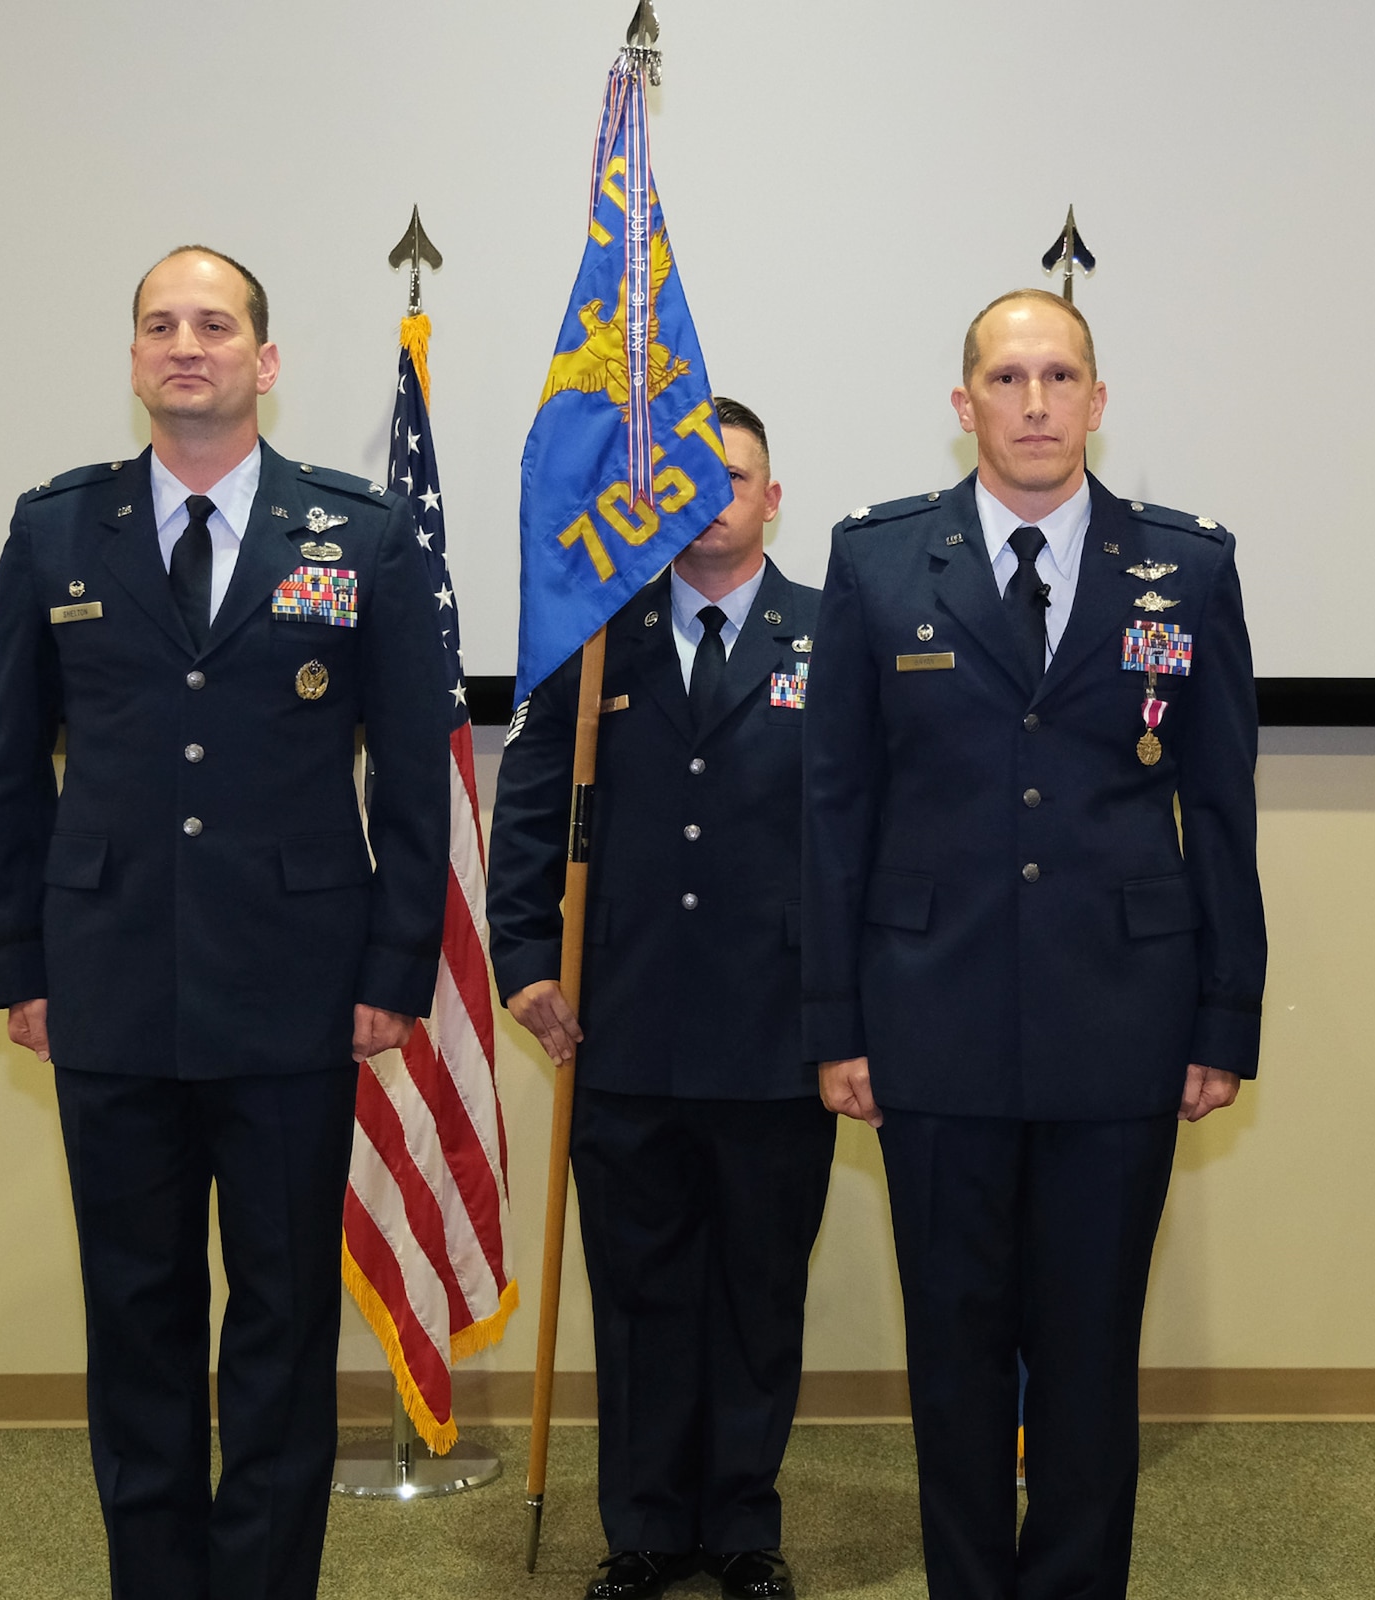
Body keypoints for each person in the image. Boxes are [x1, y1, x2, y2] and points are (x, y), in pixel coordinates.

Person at [0, 245, 450, 1599]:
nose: (190, 345)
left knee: (283, 1328)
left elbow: (416, 773)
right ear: (133, 360)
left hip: (297, 991)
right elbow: (13, 768)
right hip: (107, 981)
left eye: (218, 324)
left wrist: (394, 970)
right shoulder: (56, 529)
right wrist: (21, 960)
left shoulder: (359, 534)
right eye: (163, 326)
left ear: (267, 360)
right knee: (137, 1318)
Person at [803, 290, 1266, 1600]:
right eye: (1007, 380)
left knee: (1087, 1356)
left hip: (1123, 1020)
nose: (1035, 405)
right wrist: (835, 1023)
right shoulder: (880, 563)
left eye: (1060, 377)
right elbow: (835, 809)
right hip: (927, 1021)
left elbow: (1221, 804)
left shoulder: (1188, 567)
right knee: (951, 1356)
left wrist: (1224, 1014)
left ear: (1099, 401)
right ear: (965, 408)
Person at [488, 398, 832, 1600]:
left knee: (755, 1290)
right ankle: (640, 1527)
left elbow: (869, 830)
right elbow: (531, 801)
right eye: (688, 481)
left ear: (771, 498)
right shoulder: (595, 636)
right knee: (636, 1291)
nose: (713, 500)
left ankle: (740, 1525)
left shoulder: (830, 637)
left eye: (734, 479)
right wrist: (525, 957)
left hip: (776, 1030)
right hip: (617, 1018)